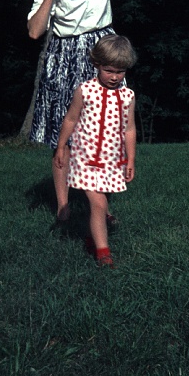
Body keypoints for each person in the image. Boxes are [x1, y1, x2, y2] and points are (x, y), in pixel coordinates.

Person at [27, 0, 149, 223]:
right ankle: (63, 207)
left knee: (105, 129)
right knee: (63, 130)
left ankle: (102, 207)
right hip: (64, 55)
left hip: (101, 52)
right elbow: (34, 31)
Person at [54, 35, 137, 269]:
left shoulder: (128, 95)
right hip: (87, 159)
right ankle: (103, 253)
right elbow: (70, 119)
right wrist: (61, 146)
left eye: (120, 72)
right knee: (99, 204)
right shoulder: (85, 90)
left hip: (112, 161)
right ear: (97, 65)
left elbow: (129, 129)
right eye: (109, 70)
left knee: (103, 200)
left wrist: (131, 159)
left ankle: (92, 239)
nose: (114, 77)